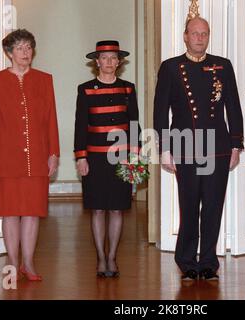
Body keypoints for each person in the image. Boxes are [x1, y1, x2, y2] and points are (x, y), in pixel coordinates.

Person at [154, 17, 244, 281]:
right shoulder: (171, 67)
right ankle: (185, 259)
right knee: (190, 206)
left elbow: (233, 107)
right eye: (195, 33)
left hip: (218, 147)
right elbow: (161, 111)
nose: (200, 38)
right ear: (185, 36)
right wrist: (164, 147)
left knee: (214, 206)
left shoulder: (223, 66)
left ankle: (208, 261)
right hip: (185, 147)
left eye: (204, 33)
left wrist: (236, 144)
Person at [0, 29, 60, 281]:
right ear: (9, 53)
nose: (25, 53)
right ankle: (13, 262)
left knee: (32, 211)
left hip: (37, 156)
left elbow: (51, 120)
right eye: (20, 48)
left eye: (29, 47)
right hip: (7, 157)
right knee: (10, 211)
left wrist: (53, 153)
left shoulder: (44, 79)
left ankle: (28, 262)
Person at [74, 40, 141, 278]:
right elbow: (80, 126)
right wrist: (81, 157)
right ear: (97, 62)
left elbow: (134, 124)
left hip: (121, 158)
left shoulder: (128, 88)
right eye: (105, 58)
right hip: (94, 158)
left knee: (117, 209)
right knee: (98, 209)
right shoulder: (85, 89)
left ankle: (112, 256)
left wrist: (134, 155)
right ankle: (100, 257)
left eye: (114, 58)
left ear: (119, 62)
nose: (109, 62)